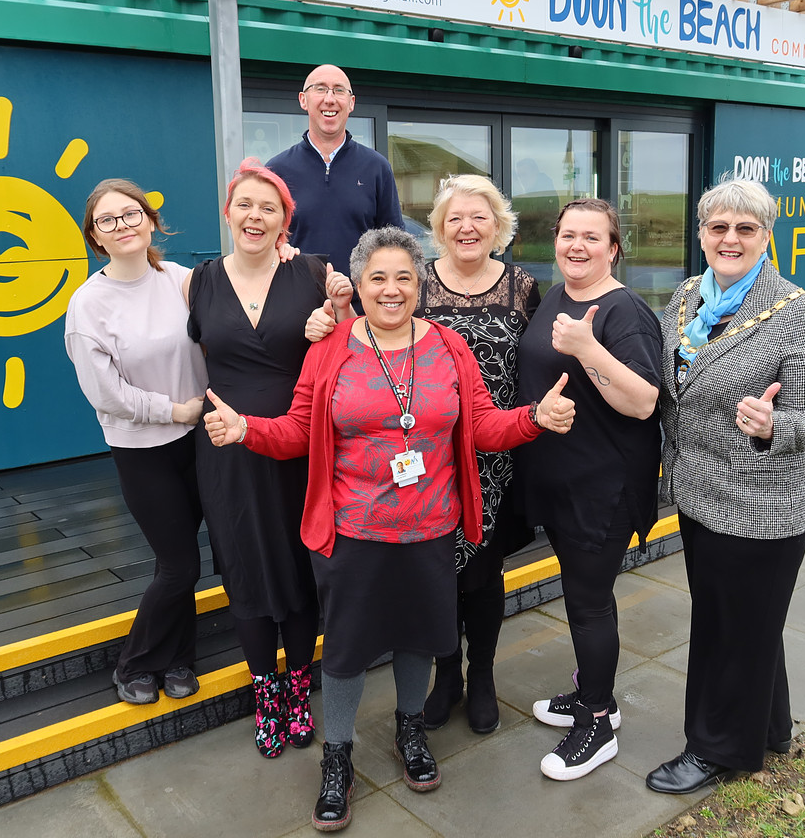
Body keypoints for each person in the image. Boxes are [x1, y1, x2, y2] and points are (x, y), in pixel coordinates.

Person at [202, 226, 576, 833]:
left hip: (430, 528)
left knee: (417, 638)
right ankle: (338, 756)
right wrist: (247, 429)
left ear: (418, 283)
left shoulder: (450, 348)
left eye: (404, 276)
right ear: (361, 285)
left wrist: (535, 418)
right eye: (378, 277)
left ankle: (409, 731)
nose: (392, 289)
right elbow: (299, 430)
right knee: (346, 651)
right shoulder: (329, 353)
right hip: (352, 531)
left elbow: (482, 426)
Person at [646, 178, 805, 794]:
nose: (730, 239)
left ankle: (715, 749)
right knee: (744, 622)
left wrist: (772, 425)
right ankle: (769, 726)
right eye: (718, 227)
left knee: (730, 629)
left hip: (765, 504)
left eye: (745, 229)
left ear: (765, 237)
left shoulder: (798, 312)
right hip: (702, 495)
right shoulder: (684, 300)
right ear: (702, 234)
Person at [186, 158, 354, 758]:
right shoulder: (198, 280)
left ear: (286, 219)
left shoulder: (312, 273)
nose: (255, 216)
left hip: (302, 442)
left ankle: (301, 682)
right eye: (245, 205)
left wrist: (334, 316)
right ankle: (266, 691)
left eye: (269, 207)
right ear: (228, 212)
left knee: (300, 560)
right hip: (228, 448)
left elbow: (353, 344)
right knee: (244, 564)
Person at [517, 198, 663, 782]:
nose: (576, 246)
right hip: (557, 478)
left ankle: (598, 719)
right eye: (567, 235)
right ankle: (589, 695)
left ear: (614, 247)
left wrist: (587, 347)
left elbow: (644, 401)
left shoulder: (623, 312)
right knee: (580, 596)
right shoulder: (555, 296)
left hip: (602, 487)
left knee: (588, 602)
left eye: (591, 237)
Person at [64, 179, 207, 706]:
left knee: (175, 559)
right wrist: (174, 410)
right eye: (108, 220)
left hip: (199, 441)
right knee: (180, 566)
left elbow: (239, 307)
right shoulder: (89, 304)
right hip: (143, 448)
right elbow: (105, 394)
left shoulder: (181, 280)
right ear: (95, 237)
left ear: (150, 221)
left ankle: (180, 660)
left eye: (130, 214)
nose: (122, 226)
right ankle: (135, 662)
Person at [416, 175, 540, 735]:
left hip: (497, 456)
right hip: (426, 456)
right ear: (440, 228)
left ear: (499, 226)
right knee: (436, 573)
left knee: (485, 574)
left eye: (479, 217)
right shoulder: (413, 284)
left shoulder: (523, 288)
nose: (467, 227)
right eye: (455, 218)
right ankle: (447, 675)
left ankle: (483, 675)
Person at [266, 63, 404, 273]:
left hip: (361, 303)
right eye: (320, 89)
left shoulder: (377, 167)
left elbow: (395, 244)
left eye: (339, 90)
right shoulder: (277, 170)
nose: (329, 99)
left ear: (351, 103)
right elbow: (265, 242)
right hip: (296, 302)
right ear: (303, 100)